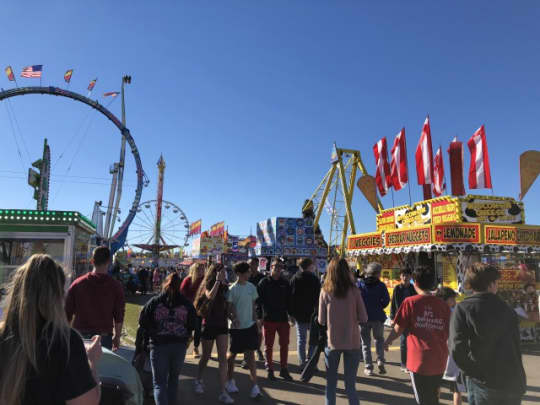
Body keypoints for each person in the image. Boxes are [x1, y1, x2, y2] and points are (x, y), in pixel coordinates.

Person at [0, 254, 102, 405]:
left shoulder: (4, 335)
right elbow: (88, 402)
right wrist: (91, 360)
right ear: (58, 296)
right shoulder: (65, 342)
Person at [449, 263, 526, 405]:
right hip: (512, 381)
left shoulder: (463, 309)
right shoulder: (507, 309)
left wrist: (474, 373)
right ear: (491, 284)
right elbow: (516, 347)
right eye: (496, 282)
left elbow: (456, 348)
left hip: (482, 382)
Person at [384, 266, 451, 405]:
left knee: (423, 400)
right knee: (433, 398)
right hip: (439, 359)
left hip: (418, 361)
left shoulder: (410, 302)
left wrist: (387, 341)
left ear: (416, 282)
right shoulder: (443, 305)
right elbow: (450, 331)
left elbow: (398, 328)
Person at [139, 272, 196, 405]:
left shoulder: (154, 302)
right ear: (180, 285)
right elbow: (193, 324)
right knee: (173, 380)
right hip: (179, 345)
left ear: (165, 283)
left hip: (158, 345)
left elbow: (143, 321)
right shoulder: (186, 304)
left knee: (159, 383)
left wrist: (153, 332)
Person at [319, 258, 368, 405]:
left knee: (331, 385)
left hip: (332, 342)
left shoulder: (325, 291)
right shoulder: (354, 291)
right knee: (350, 386)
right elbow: (364, 317)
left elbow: (321, 320)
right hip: (352, 342)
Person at [66, 246, 125, 351]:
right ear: (109, 262)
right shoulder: (116, 286)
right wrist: (117, 337)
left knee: (79, 367)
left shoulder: (78, 283)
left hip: (80, 336)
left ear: (92, 261)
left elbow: (67, 313)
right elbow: (119, 316)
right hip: (103, 337)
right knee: (101, 367)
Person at [193, 264, 234, 404]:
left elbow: (227, 306)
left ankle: (223, 392)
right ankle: (198, 379)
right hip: (209, 325)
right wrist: (217, 281)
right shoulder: (208, 284)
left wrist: (233, 318)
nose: (224, 274)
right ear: (215, 273)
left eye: (224, 272)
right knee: (206, 356)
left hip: (222, 325)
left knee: (223, 358)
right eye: (221, 272)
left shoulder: (224, 287)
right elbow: (210, 297)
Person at [226, 262, 262, 399]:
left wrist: (257, 322)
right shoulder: (232, 289)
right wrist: (233, 317)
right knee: (232, 356)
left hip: (250, 327)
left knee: (251, 357)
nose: (249, 273)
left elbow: (253, 307)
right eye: (247, 272)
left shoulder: (251, 287)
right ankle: (230, 380)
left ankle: (255, 387)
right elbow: (228, 309)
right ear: (239, 274)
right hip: (236, 329)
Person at [257, 259, 294, 381]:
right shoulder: (264, 282)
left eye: (280, 266)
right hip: (268, 319)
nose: (278, 269)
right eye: (275, 266)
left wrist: (291, 315)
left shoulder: (285, 283)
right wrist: (259, 317)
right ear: (270, 267)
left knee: (284, 345)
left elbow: (289, 301)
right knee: (269, 346)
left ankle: (284, 369)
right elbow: (258, 302)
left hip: (283, 319)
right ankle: (270, 369)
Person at [357, 262, 390, 375]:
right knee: (379, 339)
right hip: (377, 317)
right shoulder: (381, 285)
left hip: (363, 318)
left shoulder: (360, 285)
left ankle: (369, 367)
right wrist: (379, 306)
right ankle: (380, 360)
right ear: (376, 273)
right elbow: (386, 301)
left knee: (365, 343)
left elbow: (356, 301)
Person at [289, 257, 321, 369]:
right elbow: (319, 298)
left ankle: (302, 363)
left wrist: (291, 314)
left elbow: (290, 298)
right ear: (309, 266)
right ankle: (311, 361)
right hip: (313, 314)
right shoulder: (315, 279)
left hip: (299, 314)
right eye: (312, 265)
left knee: (301, 339)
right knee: (313, 340)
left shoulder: (294, 278)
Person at [436, 287, 464, 405]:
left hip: (437, 356)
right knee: (456, 389)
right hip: (452, 356)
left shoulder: (433, 312)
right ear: (445, 300)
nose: (454, 301)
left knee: (436, 385)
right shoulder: (454, 313)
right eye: (452, 299)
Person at [390, 267, 417, 372]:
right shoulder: (397, 288)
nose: (405, 277)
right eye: (403, 275)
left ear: (410, 276)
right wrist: (392, 318)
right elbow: (393, 304)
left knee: (412, 341)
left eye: (407, 275)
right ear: (400, 276)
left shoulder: (413, 288)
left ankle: (410, 362)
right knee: (403, 341)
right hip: (401, 317)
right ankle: (404, 363)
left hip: (413, 317)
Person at [180, 262, 205, 358]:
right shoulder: (187, 280)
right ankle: (185, 346)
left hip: (200, 309)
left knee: (198, 329)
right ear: (194, 270)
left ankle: (195, 348)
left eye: (203, 269)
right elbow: (182, 295)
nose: (202, 271)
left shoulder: (204, 280)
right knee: (188, 329)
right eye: (199, 269)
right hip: (188, 309)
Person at [247, 257, 265, 363]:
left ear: (257, 265)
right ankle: (248, 355)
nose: (250, 266)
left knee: (258, 331)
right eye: (249, 264)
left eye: (252, 264)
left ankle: (258, 350)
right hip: (246, 307)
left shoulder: (262, 278)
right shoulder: (245, 277)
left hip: (258, 308)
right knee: (247, 331)